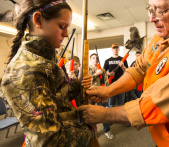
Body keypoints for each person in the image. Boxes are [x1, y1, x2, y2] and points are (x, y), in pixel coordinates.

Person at [78, 0, 169, 146]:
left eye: (160, 10)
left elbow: (156, 105)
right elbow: (140, 69)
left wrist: (104, 114)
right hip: (165, 136)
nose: (151, 18)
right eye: (150, 9)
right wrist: (109, 90)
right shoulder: (164, 34)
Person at [1, 0, 98, 146]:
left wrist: (79, 84)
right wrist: (88, 131)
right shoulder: (28, 69)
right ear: (38, 20)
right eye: (62, 26)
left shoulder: (43, 60)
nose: (66, 33)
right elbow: (49, 140)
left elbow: (56, 98)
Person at [89, 53, 115, 140]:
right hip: (90, 94)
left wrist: (107, 93)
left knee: (103, 112)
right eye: (93, 58)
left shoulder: (103, 70)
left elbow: (106, 81)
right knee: (91, 114)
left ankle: (107, 130)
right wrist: (96, 74)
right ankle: (93, 132)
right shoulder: (87, 69)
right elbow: (87, 80)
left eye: (97, 58)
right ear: (90, 60)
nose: (95, 59)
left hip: (100, 93)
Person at [103, 43, 128, 108]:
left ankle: (121, 117)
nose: (115, 49)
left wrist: (122, 66)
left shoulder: (123, 59)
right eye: (114, 48)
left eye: (116, 48)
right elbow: (103, 72)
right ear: (112, 50)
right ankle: (110, 117)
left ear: (119, 49)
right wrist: (109, 74)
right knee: (111, 103)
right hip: (111, 84)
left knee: (121, 103)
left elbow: (127, 71)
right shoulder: (107, 61)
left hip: (121, 83)